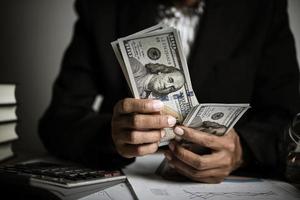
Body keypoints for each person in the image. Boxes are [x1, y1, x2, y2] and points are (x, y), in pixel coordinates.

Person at [39, 0, 300, 183]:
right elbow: (58, 121)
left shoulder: (263, 7)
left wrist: (242, 151)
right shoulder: (101, 7)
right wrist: (111, 135)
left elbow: (288, 118)